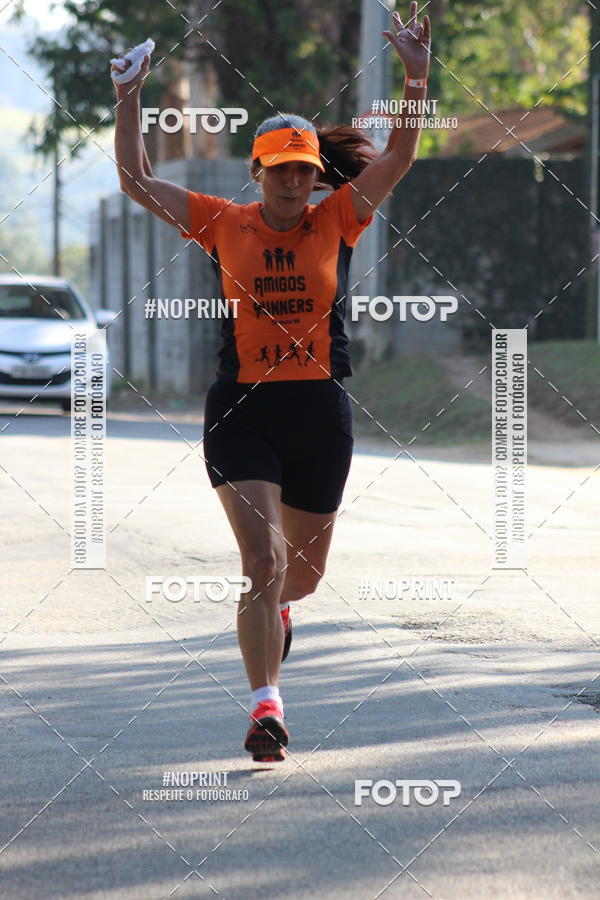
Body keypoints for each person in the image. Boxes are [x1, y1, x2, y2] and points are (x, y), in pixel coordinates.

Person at [112, 3, 431, 762]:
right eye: (280, 169)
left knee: (301, 580)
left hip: (319, 411)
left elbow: (400, 154)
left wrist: (417, 79)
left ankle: (277, 614)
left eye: (304, 170)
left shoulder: (338, 219)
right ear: (257, 173)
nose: (293, 181)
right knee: (263, 561)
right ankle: (266, 708)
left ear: (317, 176)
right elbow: (136, 179)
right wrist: (129, 97)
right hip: (242, 411)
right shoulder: (222, 221)